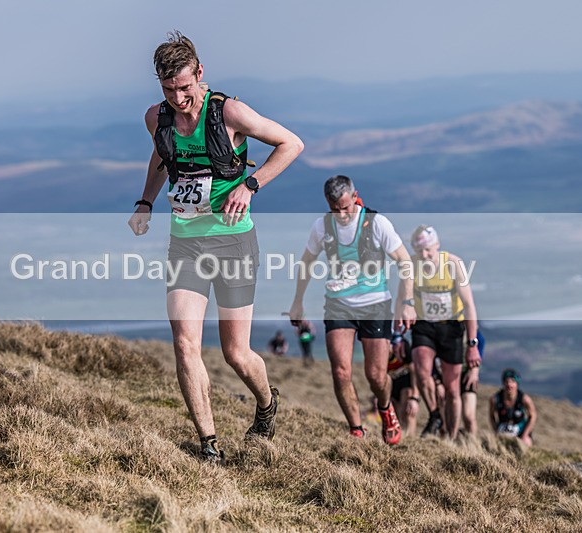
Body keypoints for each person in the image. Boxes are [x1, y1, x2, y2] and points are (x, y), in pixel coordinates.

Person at [127, 32, 304, 463]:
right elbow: (161, 159)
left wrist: (250, 184)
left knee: (235, 353)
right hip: (186, 243)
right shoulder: (157, 117)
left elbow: (291, 144)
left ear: (200, 74)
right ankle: (209, 446)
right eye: (168, 90)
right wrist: (145, 201)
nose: (178, 98)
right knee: (185, 343)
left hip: (234, 241)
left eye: (185, 88)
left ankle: (265, 403)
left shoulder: (230, 112)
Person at [288, 175, 416, 445]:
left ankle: (385, 409)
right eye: (335, 208)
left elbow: (405, 261)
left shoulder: (376, 223)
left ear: (355, 195)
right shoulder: (322, 226)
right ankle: (356, 428)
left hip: (375, 304)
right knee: (341, 372)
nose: (342, 214)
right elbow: (306, 262)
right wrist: (297, 302)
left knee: (376, 375)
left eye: (345, 207)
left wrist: (406, 303)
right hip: (338, 304)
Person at [409, 225, 480, 440]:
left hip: (451, 327)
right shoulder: (411, 265)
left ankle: (450, 436)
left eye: (429, 250)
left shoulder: (453, 264)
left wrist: (473, 344)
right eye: (420, 251)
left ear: (437, 246)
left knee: (452, 390)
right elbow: (403, 296)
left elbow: (469, 305)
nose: (425, 255)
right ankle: (434, 414)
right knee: (421, 371)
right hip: (425, 325)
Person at [432, 328, 485, 438]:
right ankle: (446, 443)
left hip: (466, 375)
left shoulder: (470, 329)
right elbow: (431, 354)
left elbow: (479, 343)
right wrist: (437, 383)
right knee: (444, 419)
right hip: (446, 375)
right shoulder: (442, 327)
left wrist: (474, 371)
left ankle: (472, 445)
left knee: (469, 416)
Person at [490, 368, 537, 446]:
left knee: (526, 443)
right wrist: (496, 431)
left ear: (517, 384)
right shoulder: (495, 399)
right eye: (507, 381)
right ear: (503, 383)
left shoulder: (525, 399)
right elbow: (491, 415)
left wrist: (525, 434)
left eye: (513, 381)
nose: (509, 384)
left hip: (520, 431)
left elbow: (533, 416)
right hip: (503, 431)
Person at [386, 330, 421, 436]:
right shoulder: (378, 355)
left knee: (408, 411)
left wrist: (415, 395)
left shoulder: (402, 347)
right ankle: (400, 439)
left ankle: (411, 439)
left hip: (407, 382)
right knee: (396, 416)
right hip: (392, 385)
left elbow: (414, 370)